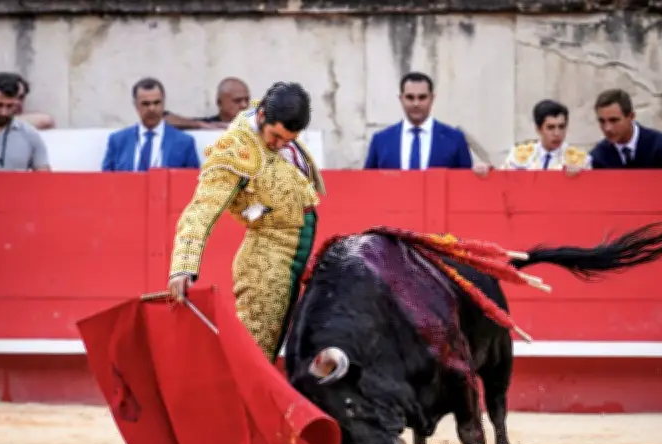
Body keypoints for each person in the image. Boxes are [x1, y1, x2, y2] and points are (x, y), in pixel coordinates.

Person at [167, 81, 325, 362]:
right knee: (255, 353)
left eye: (288, 140)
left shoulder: (270, 118)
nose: (279, 145)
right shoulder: (233, 150)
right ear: (262, 116)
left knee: (267, 347)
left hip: (291, 254)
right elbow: (201, 208)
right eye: (276, 136)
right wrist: (183, 265)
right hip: (266, 262)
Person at [364, 71, 472, 170]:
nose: (416, 103)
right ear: (401, 99)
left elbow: (466, 181)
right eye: (410, 97)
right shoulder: (381, 140)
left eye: (422, 97)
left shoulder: (455, 139)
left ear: (432, 98)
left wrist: (479, 174)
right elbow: (368, 181)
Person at [101, 77, 199, 171]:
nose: (152, 109)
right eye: (145, 104)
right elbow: (106, 179)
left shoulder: (184, 142)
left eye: (157, 103)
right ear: (135, 105)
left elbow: (193, 179)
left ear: (164, 102)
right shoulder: (117, 141)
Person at [589, 88, 662, 169]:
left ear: (631, 117)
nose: (607, 128)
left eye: (614, 120)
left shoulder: (661, 146)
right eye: (602, 121)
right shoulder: (598, 156)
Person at [501, 99, 590, 173]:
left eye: (561, 127)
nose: (557, 133)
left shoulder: (581, 160)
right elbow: (503, 182)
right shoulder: (517, 155)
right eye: (550, 127)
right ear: (538, 129)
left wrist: (579, 177)